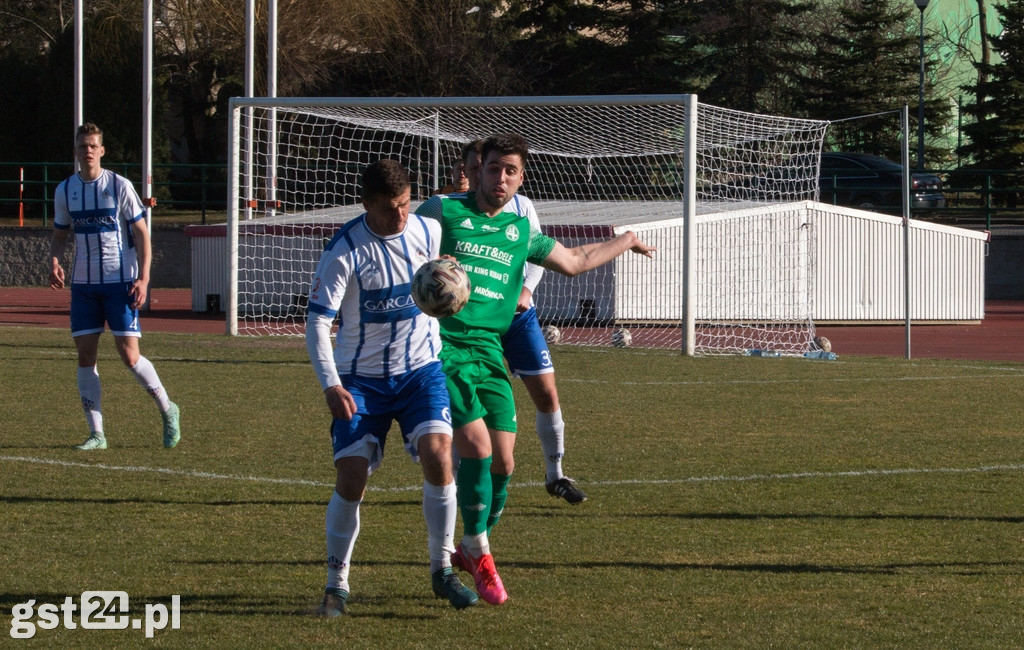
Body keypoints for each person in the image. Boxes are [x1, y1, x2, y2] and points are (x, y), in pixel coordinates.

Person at [417, 134, 655, 605]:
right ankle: (480, 553)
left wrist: (625, 239)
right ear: (477, 169)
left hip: (489, 352)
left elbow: (575, 261)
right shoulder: (442, 213)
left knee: (505, 463)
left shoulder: (519, 231)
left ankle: (470, 544)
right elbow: (398, 247)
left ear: (521, 178)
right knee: (479, 449)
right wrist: (423, 274)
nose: (499, 178)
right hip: (443, 350)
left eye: (510, 171)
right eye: (492, 168)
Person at [305, 159, 478, 617]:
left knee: (441, 455)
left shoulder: (427, 231)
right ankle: (336, 585)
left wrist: (451, 277)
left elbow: (442, 271)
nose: (399, 216)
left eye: (404, 205)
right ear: (366, 204)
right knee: (352, 475)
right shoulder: (343, 250)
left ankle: (442, 571)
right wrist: (331, 385)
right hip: (361, 380)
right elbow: (317, 323)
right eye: (388, 209)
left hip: (421, 371)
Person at [459, 141, 587, 504]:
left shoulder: (520, 207)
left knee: (546, 392)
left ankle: (555, 474)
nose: (476, 175)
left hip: (516, 317)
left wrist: (527, 290)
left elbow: (537, 252)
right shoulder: (447, 211)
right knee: (467, 402)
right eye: (472, 169)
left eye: (503, 169)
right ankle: (459, 478)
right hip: (468, 325)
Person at [49, 123, 180, 451]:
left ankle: (168, 408)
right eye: (83, 146)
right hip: (83, 286)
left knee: (129, 355)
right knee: (85, 355)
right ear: (77, 151)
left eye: (93, 145)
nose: (88, 150)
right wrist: (54, 260)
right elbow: (60, 234)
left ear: (102, 151)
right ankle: (97, 434)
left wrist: (144, 278)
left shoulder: (119, 186)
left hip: (120, 283)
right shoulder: (65, 190)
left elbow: (142, 233)